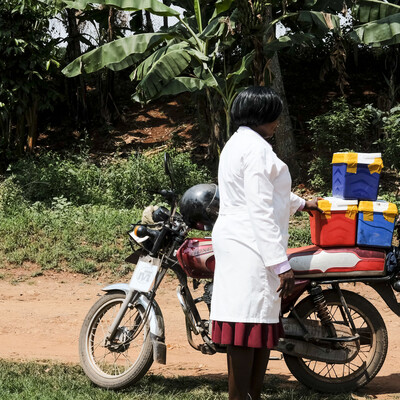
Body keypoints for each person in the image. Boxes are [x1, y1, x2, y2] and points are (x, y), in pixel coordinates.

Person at [209, 86, 321, 400]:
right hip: (251, 242)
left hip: (238, 237)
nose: (277, 122)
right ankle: (240, 396)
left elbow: (268, 192)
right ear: (263, 116)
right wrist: (281, 265)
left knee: (252, 324)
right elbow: (259, 207)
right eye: (275, 116)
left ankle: (250, 395)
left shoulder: (237, 143)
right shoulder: (256, 149)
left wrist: (301, 203)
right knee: (248, 326)